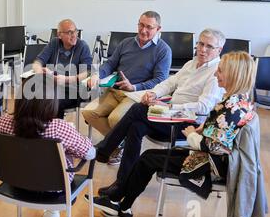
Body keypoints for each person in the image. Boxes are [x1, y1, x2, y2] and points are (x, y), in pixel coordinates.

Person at [89, 51, 256, 217]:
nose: (215, 73)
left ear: (233, 75)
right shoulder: (237, 102)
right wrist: (202, 129)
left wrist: (191, 134)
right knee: (142, 141)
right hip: (209, 156)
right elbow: (220, 133)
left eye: (220, 71)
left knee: (147, 156)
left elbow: (213, 146)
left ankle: (118, 199)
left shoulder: (233, 108)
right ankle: (120, 205)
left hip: (211, 165)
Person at [93, 28, 226, 201]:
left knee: (138, 109)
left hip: (188, 125)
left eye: (209, 46)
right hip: (170, 116)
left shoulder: (216, 73)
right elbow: (169, 83)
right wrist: (154, 93)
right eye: (200, 44)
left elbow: (204, 107)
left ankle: (104, 150)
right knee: (136, 126)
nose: (202, 49)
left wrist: (169, 105)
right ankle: (121, 183)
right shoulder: (191, 63)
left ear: (219, 50)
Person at [0, 74, 96, 217]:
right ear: (51, 102)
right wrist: (73, 139)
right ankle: (53, 212)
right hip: (54, 189)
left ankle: (51, 214)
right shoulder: (60, 128)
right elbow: (90, 153)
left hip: (15, 183)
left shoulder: (3, 121)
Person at [82, 11, 171, 164]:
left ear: (158, 29)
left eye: (149, 27)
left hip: (136, 95)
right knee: (89, 113)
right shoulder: (126, 43)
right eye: (141, 25)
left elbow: (160, 80)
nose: (143, 30)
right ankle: (118, 144)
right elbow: (110, 64)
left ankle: (113, 145)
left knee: (115, 118)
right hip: (115, 90)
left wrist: (134, 87)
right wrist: (97, 75)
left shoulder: (163, 50)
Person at [32, 19, 92, 119]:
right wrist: (39, 70)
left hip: (73, 91)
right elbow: (38, 61)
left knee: (52, 101)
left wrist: (66, 80)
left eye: (75, 31)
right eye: (69, 32)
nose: (74, 35)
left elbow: (88, 72)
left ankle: (54, 131)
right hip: (51, 86)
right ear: (59, 35)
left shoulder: (82, 46)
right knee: (30, 97)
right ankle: (35, 129)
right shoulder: (54, 43)